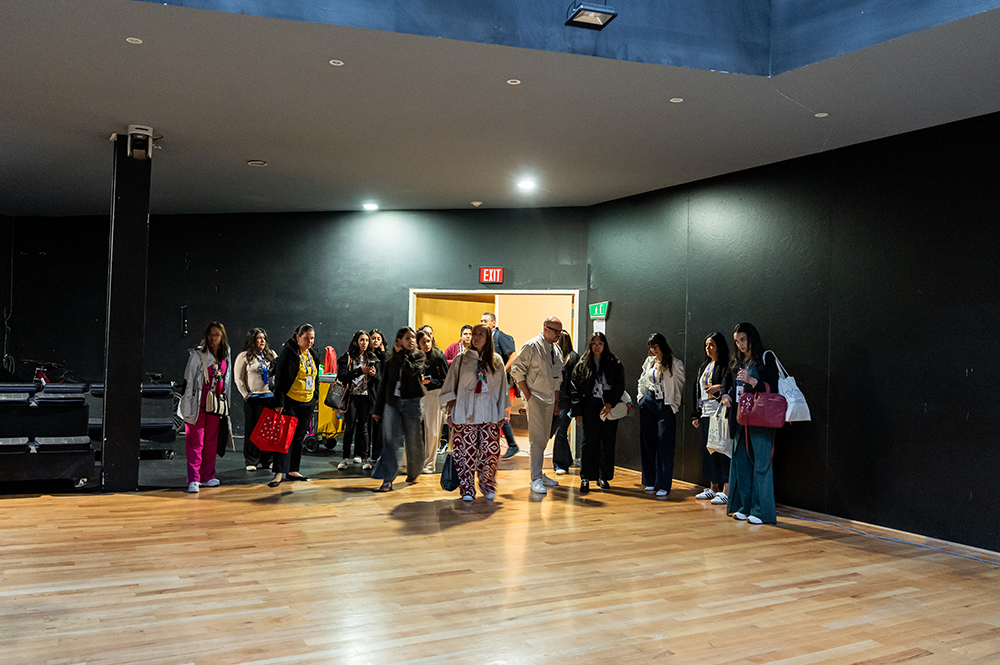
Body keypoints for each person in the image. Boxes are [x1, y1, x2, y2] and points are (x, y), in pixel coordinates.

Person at [440, 324, 510, 501]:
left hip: (490, 412)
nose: (476, 337)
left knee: (490, 452)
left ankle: (487, 485)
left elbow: (502, 388)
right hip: (465, 412)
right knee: (464, 452)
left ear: (488, 339)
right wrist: (450, 413)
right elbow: (450, 386)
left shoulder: (496, 361)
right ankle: (467, 489)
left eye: (481, 334)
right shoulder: (461, 359)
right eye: (474, 334)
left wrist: (503, 413)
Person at [720, 322, 779, 525]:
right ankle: (743, 507)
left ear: (752, 338)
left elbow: (774, 388)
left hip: (760, 417)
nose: (740, 345)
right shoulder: (736, 360)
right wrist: (725, 395)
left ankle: (760, 511)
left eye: (743, 340)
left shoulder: (766, 357)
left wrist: (752, 382)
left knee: (761, 463)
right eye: (737, 341)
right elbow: (727, 381)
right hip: (740, 416)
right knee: (741, 462)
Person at [510, 316, 564, 495]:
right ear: (545, 328)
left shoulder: (556, 350)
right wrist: (528, 395)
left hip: (549, 398)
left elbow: (557, 379)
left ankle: (540, 473)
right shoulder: (532, 346)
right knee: (536, 438)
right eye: (555, 331)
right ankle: (535, 479)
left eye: (560, 331)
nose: (558, 335)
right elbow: (517, 370)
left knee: (544, 438)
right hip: (535, 397)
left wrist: (556, 402)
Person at [570, 332, 626, 493]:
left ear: (604, 345)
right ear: (590, 345)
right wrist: (577, 411)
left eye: (600, 343)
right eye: (594, 343)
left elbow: (619, 385)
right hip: (590, 406)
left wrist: (610, 403)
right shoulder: (583, 363)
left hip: (608, 406)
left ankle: (604, 476)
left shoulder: (614, 362)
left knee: (607, 442)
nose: (597, 346)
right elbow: (575, 388)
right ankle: (586, 477)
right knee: (589, 442)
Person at [371, 327, 426, 491]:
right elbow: (384, 385)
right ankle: (387, 479)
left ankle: (414, 471)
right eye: (407, 338)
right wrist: (378, 409)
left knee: (413, 440)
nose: (412, 341)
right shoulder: (390, 361)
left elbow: (412, 370)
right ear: (399, 340)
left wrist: (402, 354)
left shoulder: (419, 356)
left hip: (412, 403)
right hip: (392, 404)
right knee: (390, 441)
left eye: (413, 338)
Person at [179, 321, 232, 493]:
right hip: (198, 403)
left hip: (214, 404)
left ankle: (207, 476)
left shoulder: (225, 355)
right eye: (210, 335)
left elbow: (227, 382)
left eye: (216, 335)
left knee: (211, 441)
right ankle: (194, 478)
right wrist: (187, 407)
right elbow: (188, 382)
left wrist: (225, 405)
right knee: (196, 441)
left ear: (222, 337)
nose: (212, 338)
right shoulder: (198, 355)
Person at [270, 323, 320, 488]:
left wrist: (315, 396)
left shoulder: (313, 353)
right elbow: (280, 378)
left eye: (312, 338)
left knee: (299, 437)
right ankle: (278, 472)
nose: (310, 342)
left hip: (307, 401)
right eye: (306, 338)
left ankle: (293, 470)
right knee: (285, 437)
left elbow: (315, 377)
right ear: (297, 337)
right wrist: (279, 402)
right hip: (291, 401)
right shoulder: (289, 352)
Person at [637, 332, 686, 497]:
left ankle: (663, 484)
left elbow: (679, 386)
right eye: (651, 346)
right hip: (649, 400)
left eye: (656, 345)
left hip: (665, 403)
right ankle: (650, 481)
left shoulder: (675, 363)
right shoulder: (649, 362)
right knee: (648, 442)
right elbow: (642, 381)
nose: (654, 349)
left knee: (664, 442)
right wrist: (641, 398)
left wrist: (674, 406)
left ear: (663, 345)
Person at [691, 332, 732, 505]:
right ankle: (713, 487)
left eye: (711, 345)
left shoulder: (726, 365)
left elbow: (729, 385)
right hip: (706, 412)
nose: (708, 348)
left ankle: (726, 489)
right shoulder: (705, 366)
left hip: (720, 413)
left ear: (719, 346)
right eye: (706, 345)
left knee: (722, 449)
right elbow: (697, 390)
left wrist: (719, 388)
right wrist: (696, 414)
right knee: (710, 450)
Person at [233, 327, 277, 472]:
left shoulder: (271, 355)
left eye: (264, 338)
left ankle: (267, 460)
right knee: (252, 431)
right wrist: (246, 394)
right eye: (259, 338)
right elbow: (238, 378)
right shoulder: (244, 356)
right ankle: (251, 460)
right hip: (253, 399)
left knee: (268, 431)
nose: (262, 340)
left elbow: (278, 374)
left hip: (269, 399)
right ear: (252, 340)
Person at [337, 330, 379, 471]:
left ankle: (365, 458)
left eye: (366, 340)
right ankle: (345, 458)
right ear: (356, 341)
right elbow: (342, 376)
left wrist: (374, 374)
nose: (364, 343)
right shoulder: (348, 357)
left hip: (366, 397)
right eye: (362, 340)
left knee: (364, 428)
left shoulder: (372, 358)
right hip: (351, 396)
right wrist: (360, 370)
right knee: (349, 428)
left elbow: (379, 378)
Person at [481, 312, 520, 459]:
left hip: (500, 383)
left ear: (494, 323)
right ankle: (494, 446)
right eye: (481, 321)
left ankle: (512, 445)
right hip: (488, 383)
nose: (482, 323)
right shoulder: (485, 339)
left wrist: (501, 373)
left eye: (485, 321)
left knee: (499, 414)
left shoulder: (501, 337)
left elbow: (513, 357)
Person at [418, 329, 449, 474]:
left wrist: (429, 381)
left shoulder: (438, 357)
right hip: (418, 394)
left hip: (434, 394)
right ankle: (415, 462)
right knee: (416, 429)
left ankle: (430, 464)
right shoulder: (416, 357)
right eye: (423, 342)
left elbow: (445, 380)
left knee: (432, 430)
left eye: (428, 341)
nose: (427, 345)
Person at [551, 330, 579, 474]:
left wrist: (575, 404)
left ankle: (560, 464)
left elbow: (575, 383)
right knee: (558, 430)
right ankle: (567, 459)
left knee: (560, 430)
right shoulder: (555, 356)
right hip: (556, 400)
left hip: (566, 401)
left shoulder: (572, 358)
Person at [368, 328, 386, 461]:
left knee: (379, 425)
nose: (376, 341)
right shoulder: (365, 355)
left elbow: (386, 375)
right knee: (366, 425)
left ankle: (377, 454)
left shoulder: (383, 357)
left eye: (378, 339)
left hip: (379, 394)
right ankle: (363, 454)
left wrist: (383, 353)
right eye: (373, 338)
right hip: (366, 393)